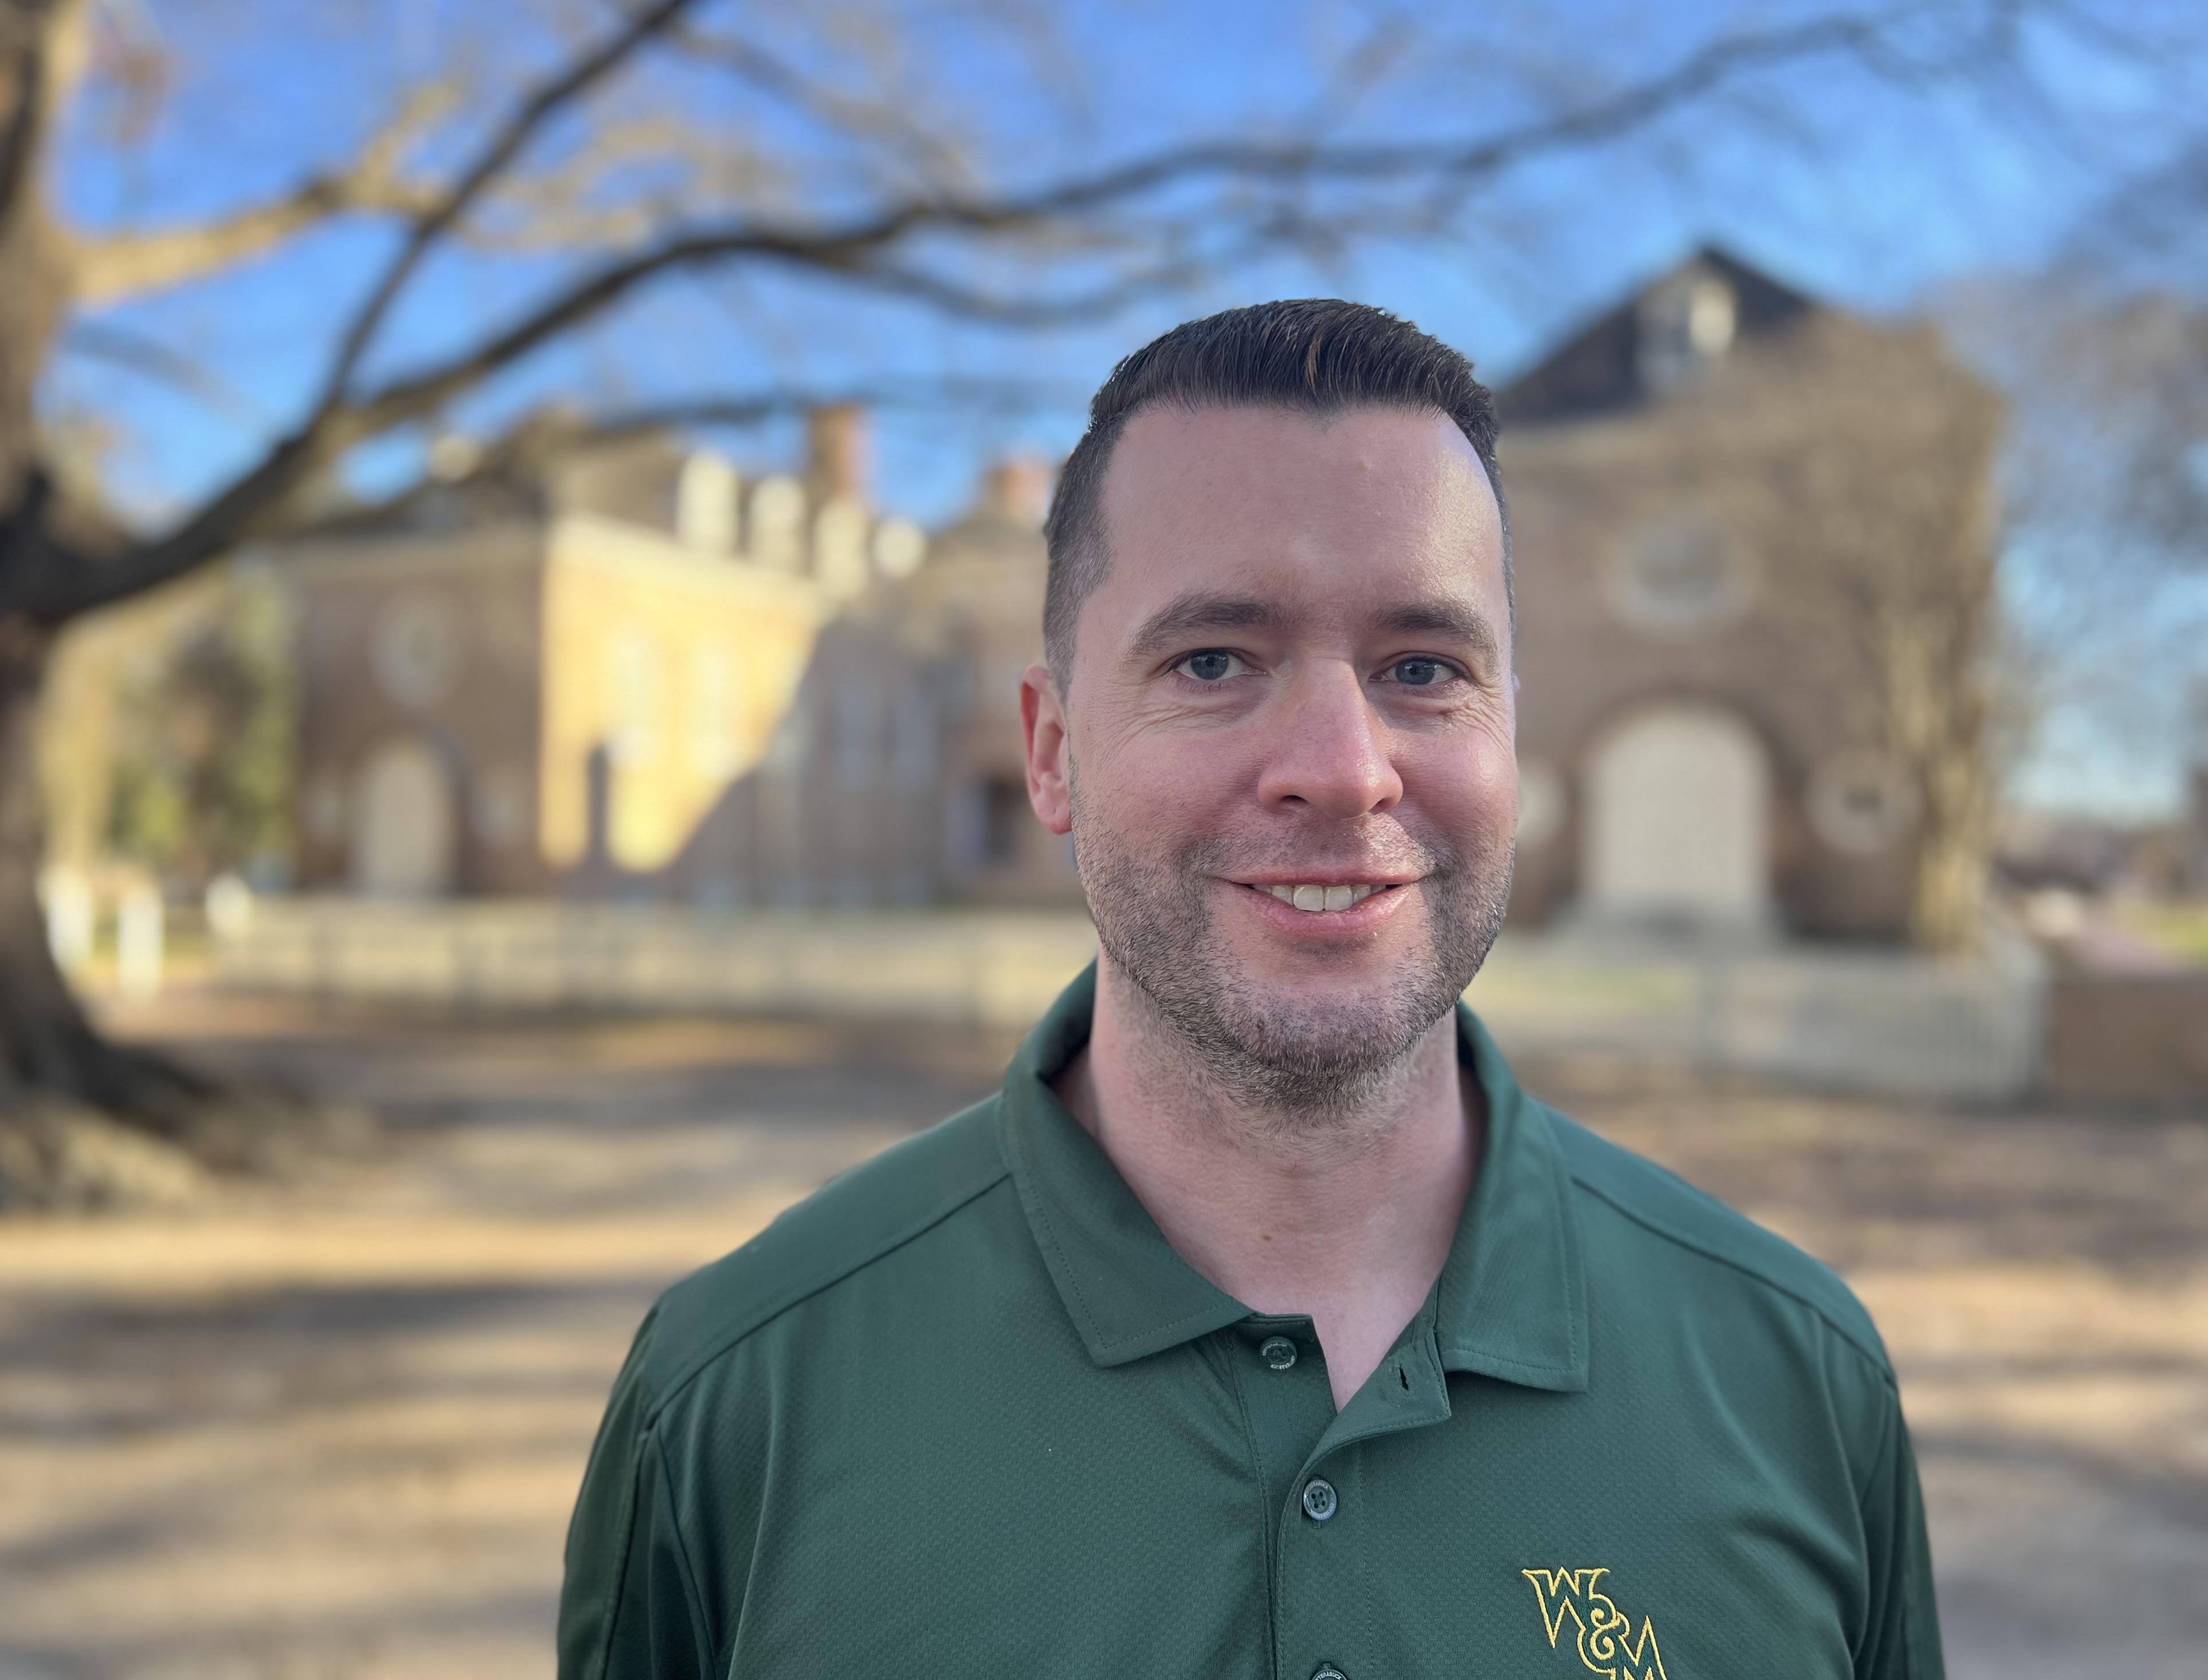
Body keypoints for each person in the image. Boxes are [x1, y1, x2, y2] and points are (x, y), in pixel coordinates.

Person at [559, 300, 1942, 1680]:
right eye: (1213, 661)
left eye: (1423, 668)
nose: (1343, 767)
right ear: (1052, 753)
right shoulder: (734, 1397)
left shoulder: (1800, 1382)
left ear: (1512, 730)